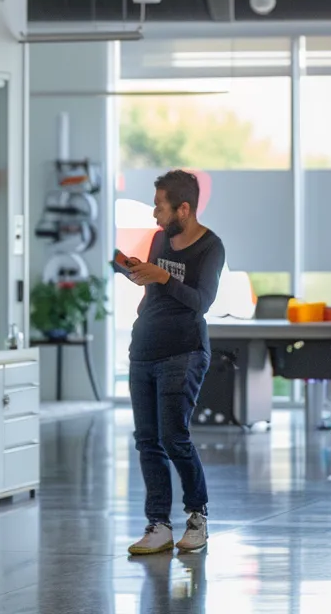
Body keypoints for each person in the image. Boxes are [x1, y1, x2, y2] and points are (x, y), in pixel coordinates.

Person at [121, 169, 226, 555]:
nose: (154, 215)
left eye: (160, 207)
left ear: (184, 208)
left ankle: (197, 516)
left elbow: (202, 302)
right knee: (147, 441)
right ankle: (158, 524)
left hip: (183, 352)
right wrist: (143, 276)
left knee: (173, 437)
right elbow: (156, 292)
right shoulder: (159, 239)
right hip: (144, 348)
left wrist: (163, 277)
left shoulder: (210, 247)